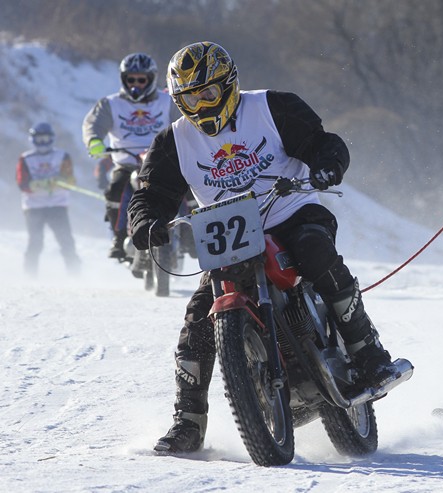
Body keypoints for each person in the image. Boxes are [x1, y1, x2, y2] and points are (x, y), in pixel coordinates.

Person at [127, 42, 400, 454]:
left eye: (208, 95)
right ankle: (188, 421)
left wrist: (327, 167)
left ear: (229, 87)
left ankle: (368, 352)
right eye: (188, 98)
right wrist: (145, 223)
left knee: (314, 250)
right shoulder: (173, 141)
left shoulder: (274, 108)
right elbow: (150, 194)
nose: (199, 107)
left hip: (292, 212)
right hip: (229, 236)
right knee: (198, 318)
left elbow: (324, 144)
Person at [82, 52, 180, 260]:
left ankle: (191, 237)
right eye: (131, 79)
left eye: (141, 79)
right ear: (123, 79)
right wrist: (95, 142)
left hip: (161, 162)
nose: (136, 84)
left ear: (152, 79)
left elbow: (184, 123)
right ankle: (118, 238)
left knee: (187, 189)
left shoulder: (167, 101)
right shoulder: (110, 104)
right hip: (126, 164)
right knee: (116, 189)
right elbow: (93, 126)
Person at [16, 122, 81, 276]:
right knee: (35, 242)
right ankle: (30, 277)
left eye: (45, 138)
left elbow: (70, 180)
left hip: (57, 204)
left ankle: (76, 274)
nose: (43, 142)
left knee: (66, 241)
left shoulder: (62, 156)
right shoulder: (26, 158)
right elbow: (22, 183)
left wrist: (60, 181)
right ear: (33, 140)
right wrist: (38, 184)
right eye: (39, 139)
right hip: (34, 206)